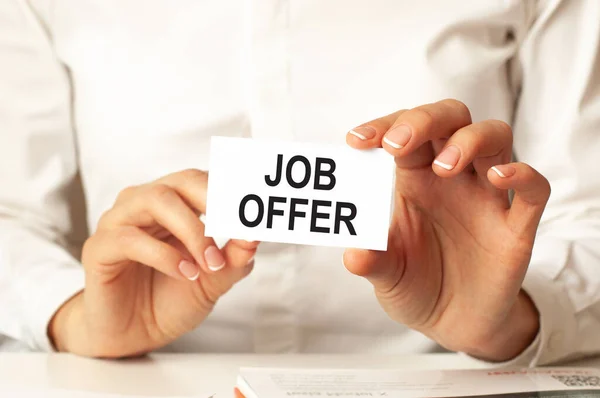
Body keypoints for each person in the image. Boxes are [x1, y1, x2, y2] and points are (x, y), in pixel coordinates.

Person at [1, 0, 599, 365]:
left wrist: (513, 316)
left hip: (468, 376)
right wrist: (74, 316)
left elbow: (591, 215)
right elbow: (8, 217)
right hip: (132, 376)